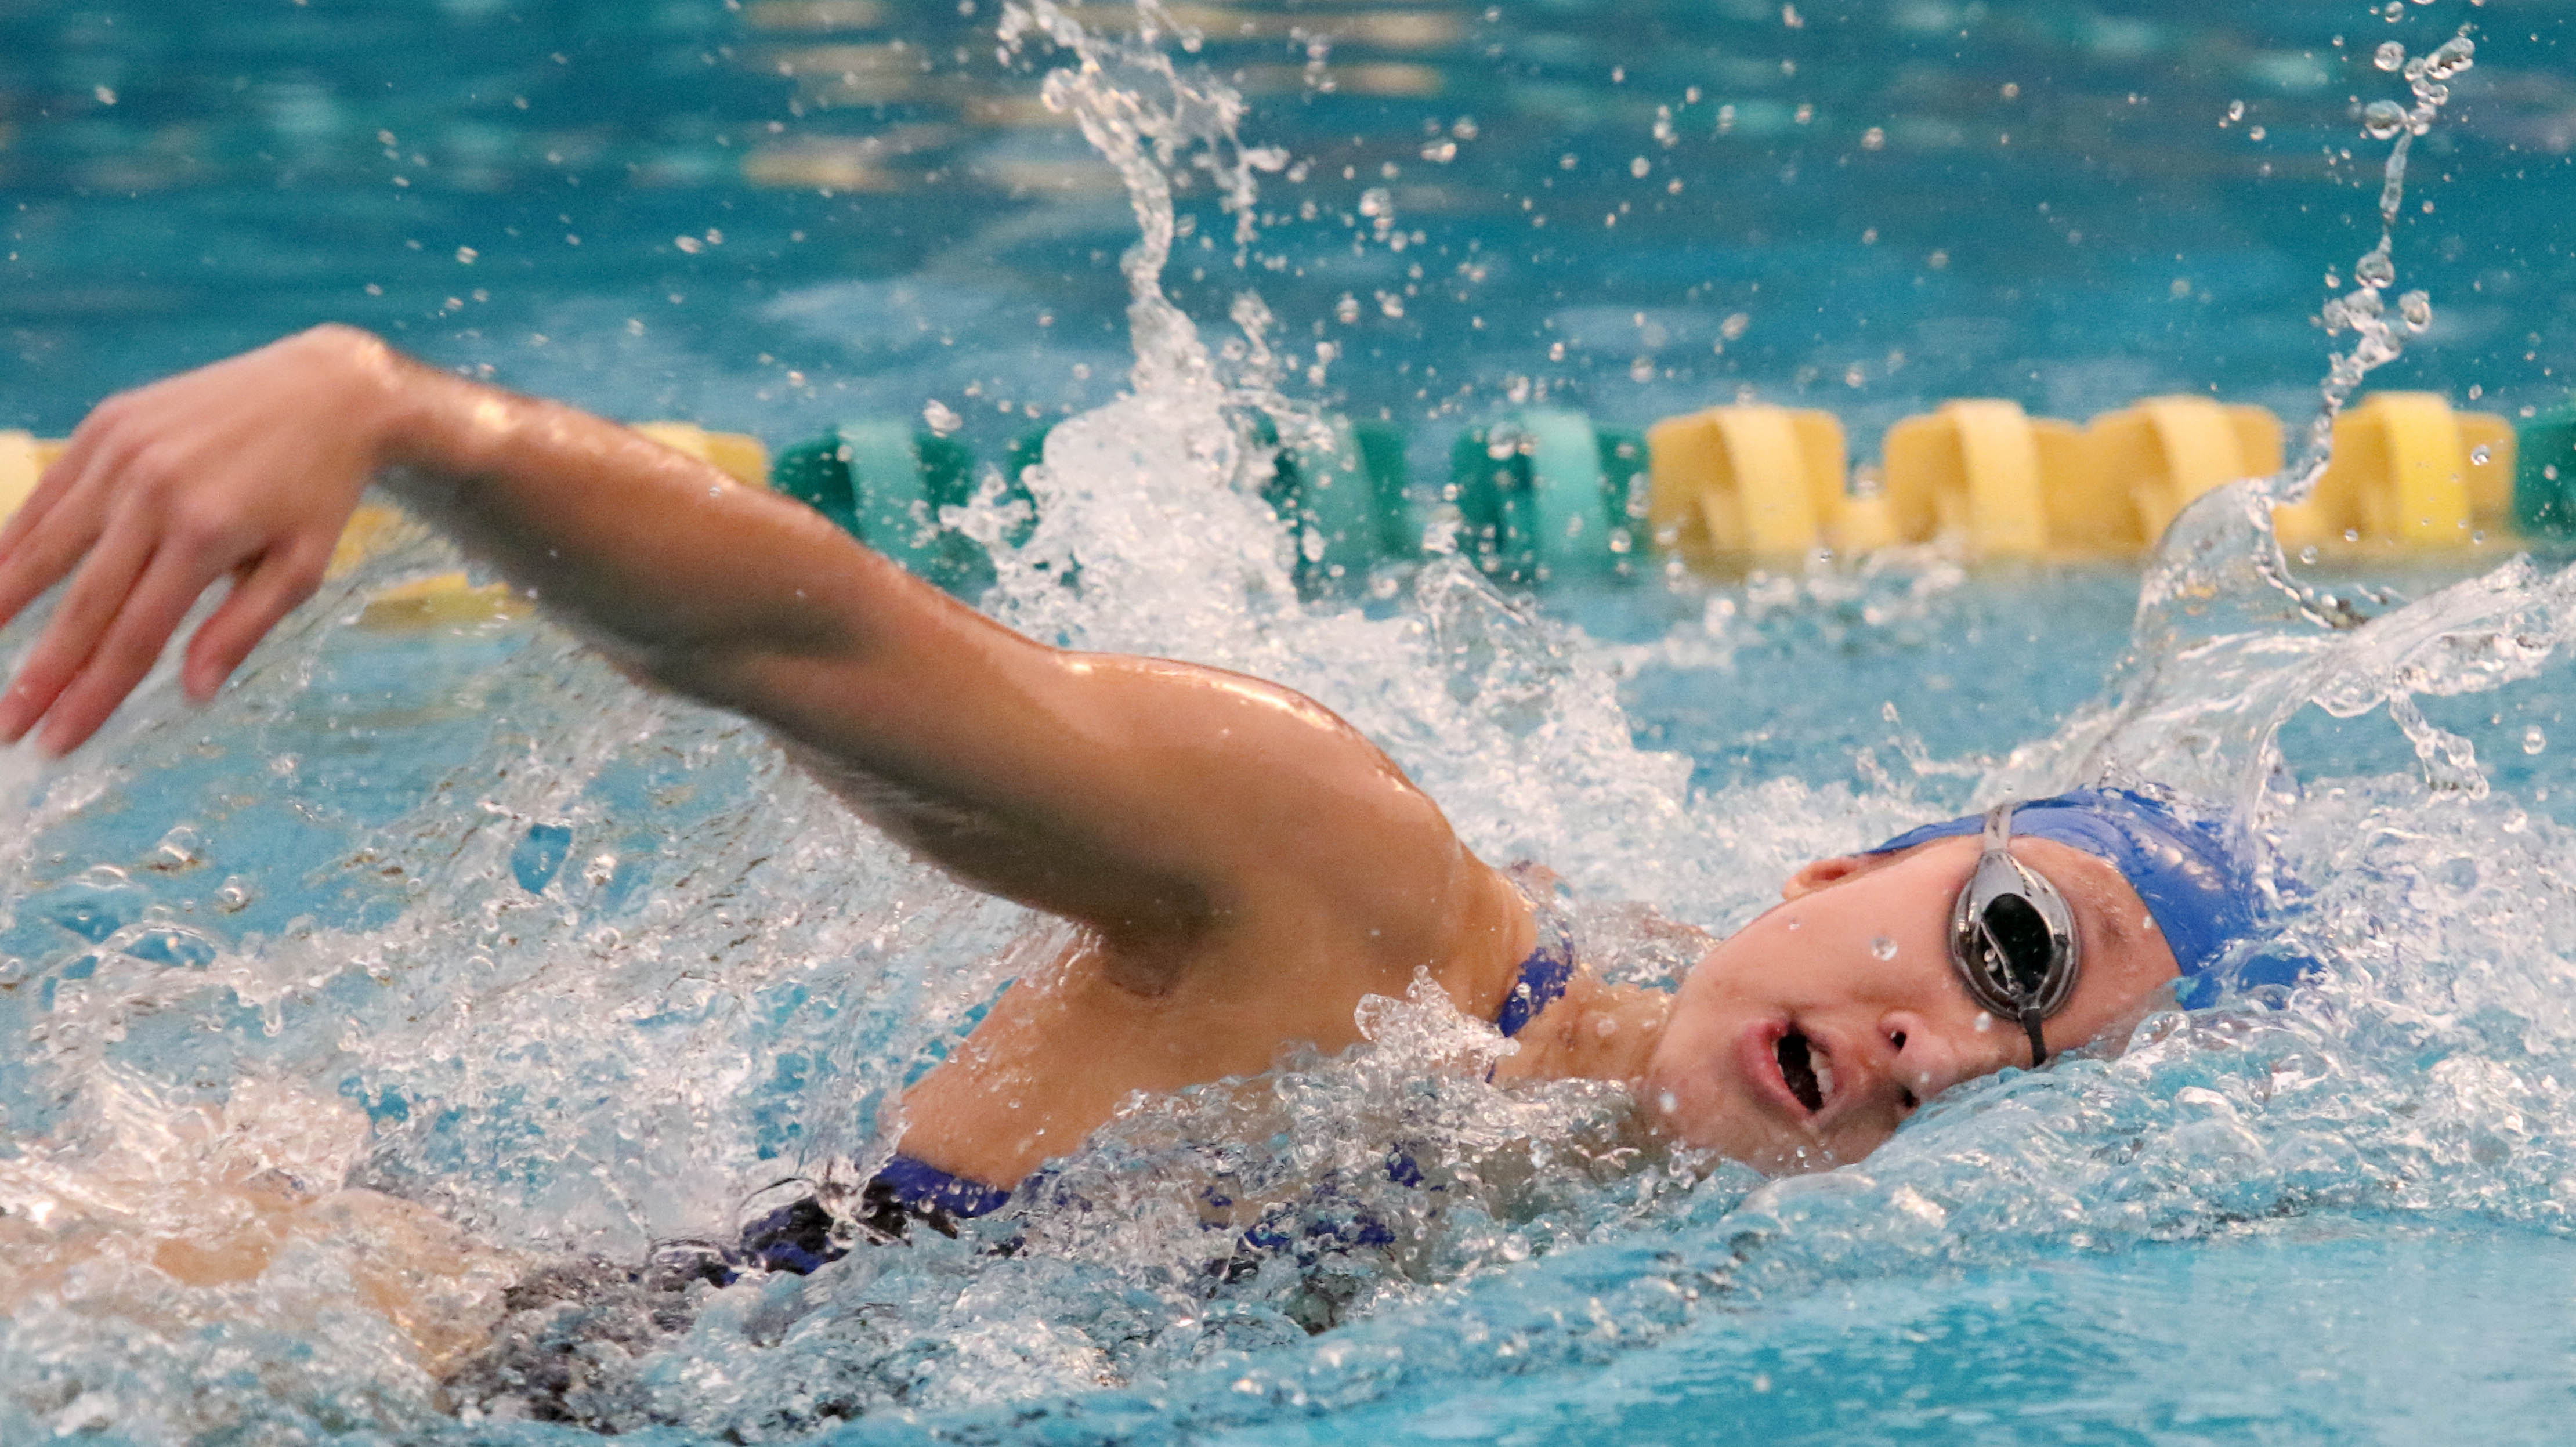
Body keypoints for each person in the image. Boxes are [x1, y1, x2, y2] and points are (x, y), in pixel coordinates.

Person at [0, 327, 2264, 1278]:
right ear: (1849, 866)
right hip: (363, 1365)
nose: (1946, 1049)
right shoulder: (1346, 886)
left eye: (2031, 1069)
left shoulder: (1619, 1185)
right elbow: (823, 652)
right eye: (2009, 947)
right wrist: (401, 420)